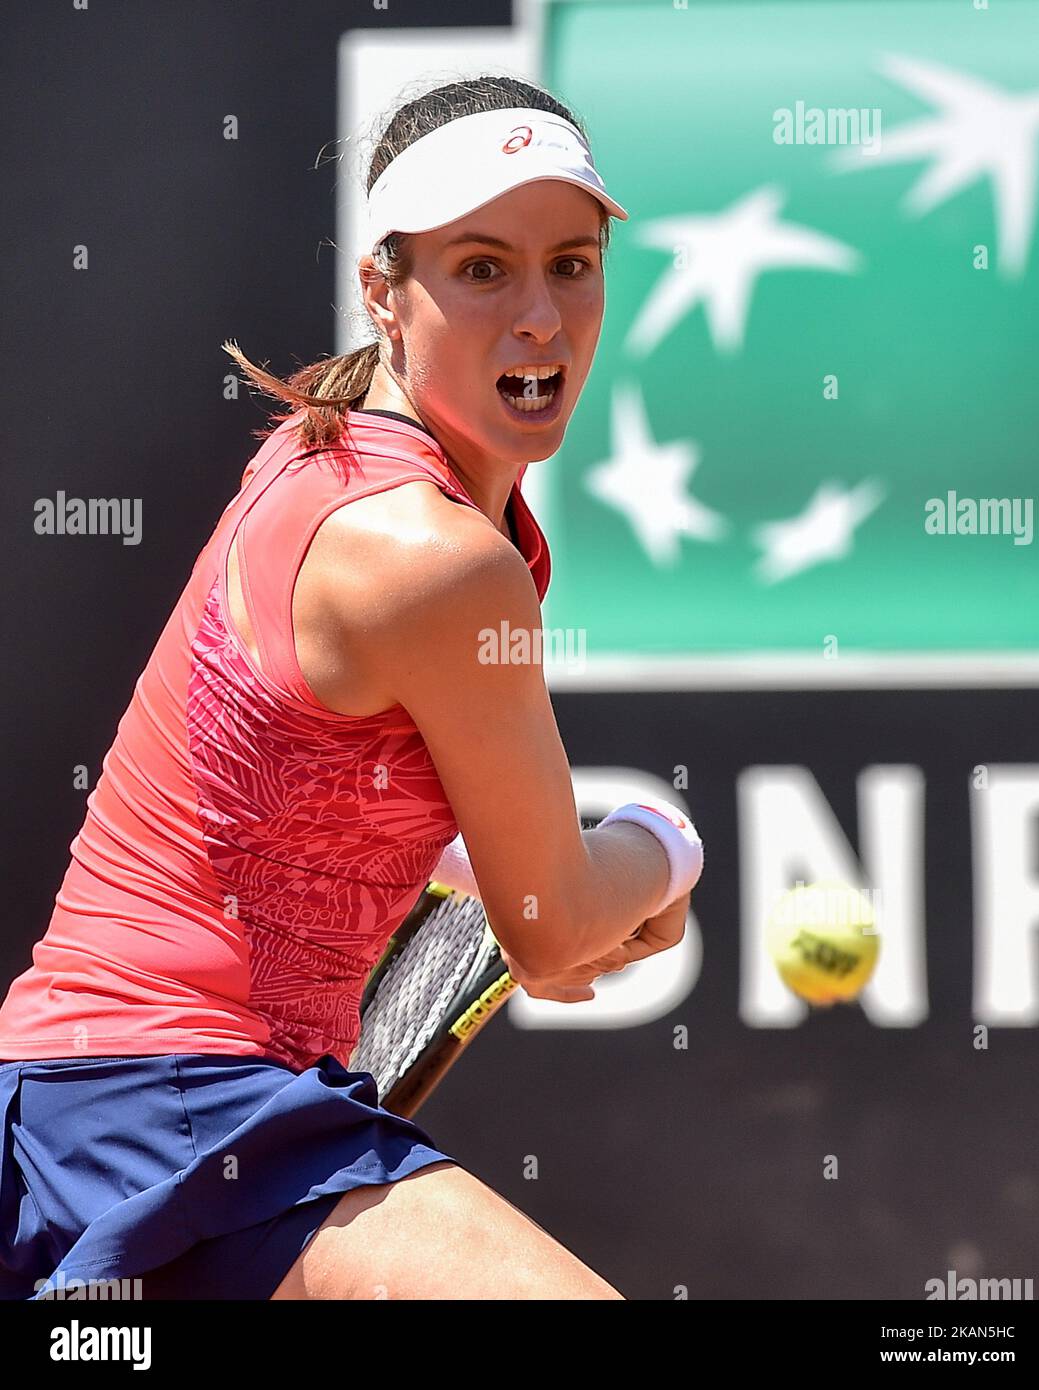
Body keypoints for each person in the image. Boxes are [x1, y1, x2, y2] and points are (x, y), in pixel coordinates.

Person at [0, 74, 703, 1301]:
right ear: (383, 287)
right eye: (482, 268)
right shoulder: (431, 554)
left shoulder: (323, 458)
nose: (541, 316)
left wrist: (475, 870)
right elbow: (551, 935)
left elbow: (272, 785)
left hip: (93, 1099)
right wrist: (661, 845)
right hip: (171, 1104)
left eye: (572, 264)